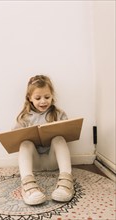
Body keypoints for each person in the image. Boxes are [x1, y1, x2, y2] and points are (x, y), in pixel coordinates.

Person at [13, 74, 74, 205]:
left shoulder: (58, 113)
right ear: (30, 98)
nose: (43, 101)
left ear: (52, 96)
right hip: (35, 163)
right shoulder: (25, 117)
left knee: (59, 139)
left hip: (52, 161)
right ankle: (28, 186)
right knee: (25, 143)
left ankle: (66, 183)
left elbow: (68, 133)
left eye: (47, 97)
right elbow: (13, 138)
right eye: (38, 98)